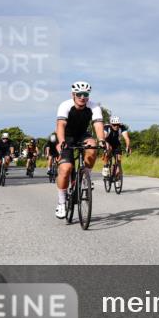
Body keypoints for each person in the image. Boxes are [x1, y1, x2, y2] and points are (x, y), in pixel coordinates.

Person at [54, 81, 105, 219]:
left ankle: (85, 176)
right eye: (79, 94)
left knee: (93, 146)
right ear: (73, 95)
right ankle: (61, 202)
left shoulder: (94, 107)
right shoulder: (65, 105)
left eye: (85, 94)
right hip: (67, 136)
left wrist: (101, 140)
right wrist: (62, 141)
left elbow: (98, 125)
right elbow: (61, 125)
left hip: (82, 134)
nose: (82, 97)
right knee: (65, 169)